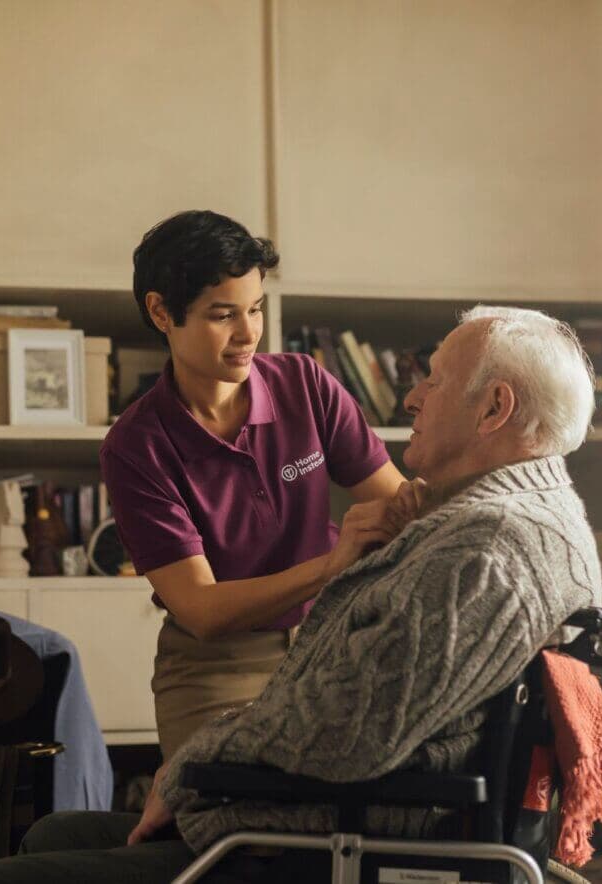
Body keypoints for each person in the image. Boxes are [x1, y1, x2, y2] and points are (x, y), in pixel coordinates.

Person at [0, 304, 602, 884]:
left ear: (493, 409)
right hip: (350, 803)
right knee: (55, 833)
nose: (411, 397)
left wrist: (190, 765)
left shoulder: (486, 551)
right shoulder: (522, 517)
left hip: (346, 837)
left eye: (433, 381)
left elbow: (350, 732)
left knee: (1, 879)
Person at [99, 210, 406, 761]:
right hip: (218, 667)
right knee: (208, 808)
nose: (248, 335)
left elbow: (401, 508)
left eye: (256, 309)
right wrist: (331, 566)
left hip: (335, 638)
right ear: (161, 311)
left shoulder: (306, 384)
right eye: (223, 316)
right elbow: (203, 609)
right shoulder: (135, 446)